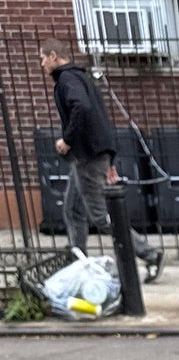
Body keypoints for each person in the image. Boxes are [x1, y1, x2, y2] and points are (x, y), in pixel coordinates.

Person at [41, 41, 121, 257]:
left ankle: (147, 252)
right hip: (91, 154)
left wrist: (67, 140)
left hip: (89, 156)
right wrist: (110, 156)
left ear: (54, 56)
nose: (42, 64)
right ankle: (78, 257)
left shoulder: (67, 79)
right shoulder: (80, 77)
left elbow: (82, 107)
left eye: (43, 58)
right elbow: (100, 118)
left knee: (99, 216)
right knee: (73, 209)